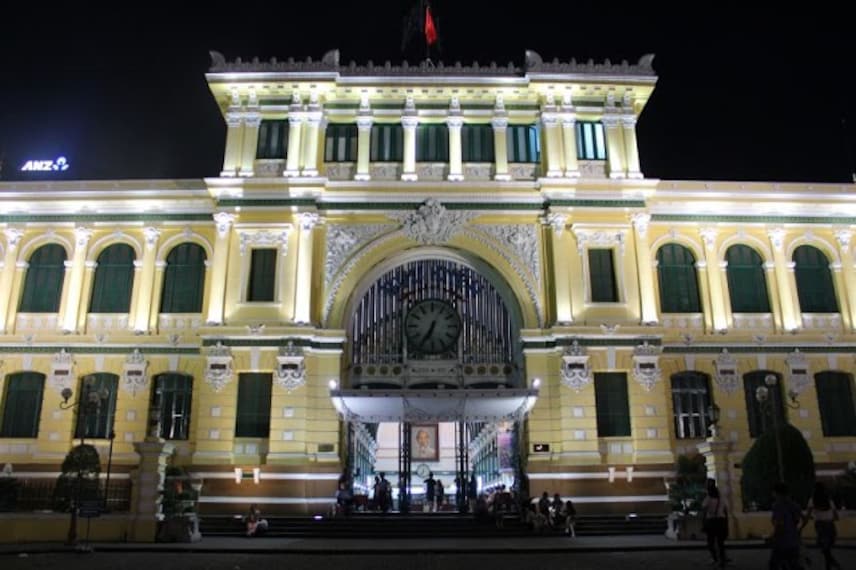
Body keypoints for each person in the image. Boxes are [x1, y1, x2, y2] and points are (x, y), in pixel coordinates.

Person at [805, 482, 841, 570]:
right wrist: (828, 517)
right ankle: (830, 564)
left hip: (820, 525)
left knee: (824, 547)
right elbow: (836, 517)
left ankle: (831, 563)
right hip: (829, 524)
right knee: (827, 546)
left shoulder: (812, 500)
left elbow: (808, 515)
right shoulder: (829, 501)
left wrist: (804, 524)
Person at [768, 481, 803, 570]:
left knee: (774, 564)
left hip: (782, 540)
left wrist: (773, 536)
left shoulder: (777, 505)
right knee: (792, 564)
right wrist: (799, 529)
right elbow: (801, 518)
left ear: (776, 493)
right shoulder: (794, 505)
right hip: (793, 538)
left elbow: (779, 523)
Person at [702, 481, 729, 567]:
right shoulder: (722, 498)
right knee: (720, 542)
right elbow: (725, 510)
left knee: (710, 542)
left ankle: (715, 558)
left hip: (711, 522)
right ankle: (722, 559)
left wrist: (703, 522)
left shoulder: (708, 499)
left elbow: (704, 509)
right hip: (721, 520)